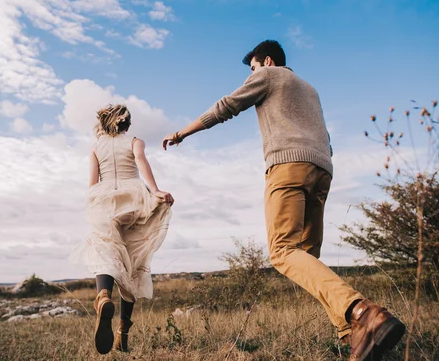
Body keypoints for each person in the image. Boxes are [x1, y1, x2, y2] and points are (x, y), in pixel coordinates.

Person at [162, 40, 405, 360]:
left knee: (282, 252)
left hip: (289, 167)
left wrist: (181, 133)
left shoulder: (271, 74)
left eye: (253, 68)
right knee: (307, 258)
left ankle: (362, 312)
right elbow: (325, 137)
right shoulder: (310, 89)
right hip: (321, 170)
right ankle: (350, 336)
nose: (252, 74)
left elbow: (226, 106)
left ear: (267, 60)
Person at [71, 104, 174, 355]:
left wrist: (93, 202)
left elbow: (92, 182)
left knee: (105, 250)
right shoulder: (135, 142)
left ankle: (103, 296)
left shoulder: (96, 148)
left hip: (105, 201)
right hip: (133, 201)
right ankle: (122, 336)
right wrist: (155, 191)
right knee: (132, 267)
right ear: (126, 123)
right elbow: (141, 163)